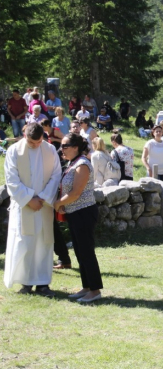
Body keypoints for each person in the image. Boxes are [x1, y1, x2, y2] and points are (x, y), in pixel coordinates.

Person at [3, 123, 61, 296]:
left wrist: (42, 197)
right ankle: (25, 282)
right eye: (31, 142)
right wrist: (29, 199)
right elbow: (11, 179)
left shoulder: (50, 150)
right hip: (24, 207)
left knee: (43, 242)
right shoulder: (14, 151)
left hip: (43, 206)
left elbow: (56, 175)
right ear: (25, 136)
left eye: (38, 142)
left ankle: (43, 283)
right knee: (25, 242)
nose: (36, 145)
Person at [54, 133, 103, 302]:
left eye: (65, 146)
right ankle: (87, 287)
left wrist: (57, 204)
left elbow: (75, 193)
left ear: (76, 147)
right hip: (75, 213)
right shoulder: (72, 163)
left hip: (84, 213)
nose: (62, 150)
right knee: (79, 251)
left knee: (86, 251)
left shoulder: (82, 164)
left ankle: (95, 290)